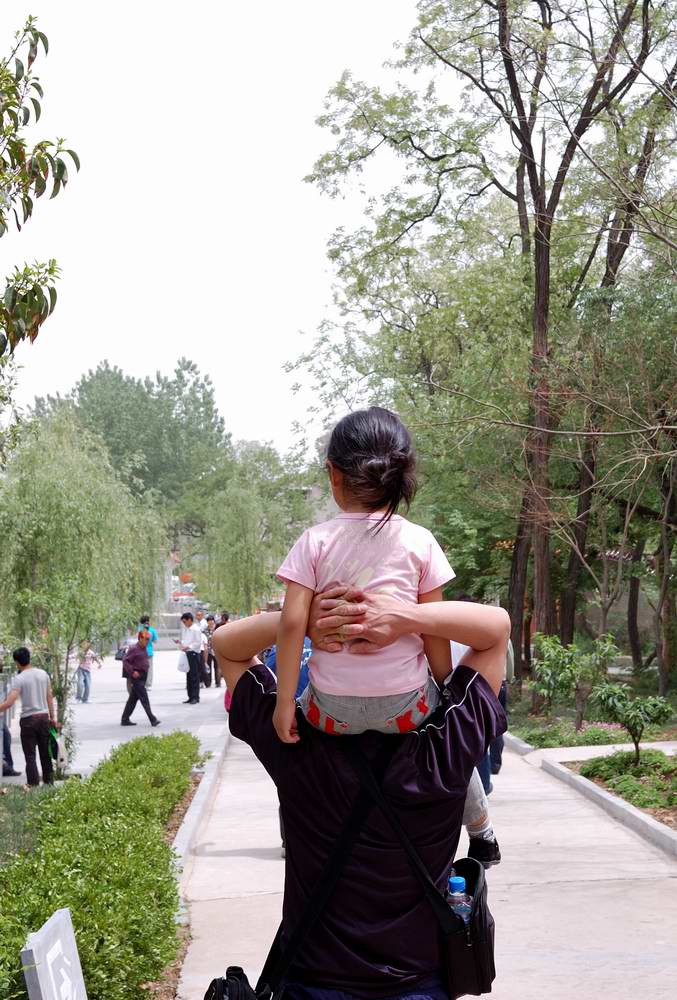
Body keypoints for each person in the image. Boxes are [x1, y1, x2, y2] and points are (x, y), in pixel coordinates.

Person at [212, 587, 508, 999]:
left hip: (312, 985)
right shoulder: (444, 749)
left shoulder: (295, 746)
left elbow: (227, 645)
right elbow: (496, 630)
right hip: (418, 985)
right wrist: (406, 617)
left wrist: (305, 620)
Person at [274, 407, 455, 744]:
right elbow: (434, 626)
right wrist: (445, 691)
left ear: (334, 474)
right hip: (406, 708)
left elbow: (291, 623)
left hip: (329, 712)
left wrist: (284, 703)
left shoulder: (314, 540)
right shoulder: (421, 540)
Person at [0, 647, 58, 786]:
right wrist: (52, 717)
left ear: (17, 662)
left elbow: (10, 702)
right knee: (45, 754)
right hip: (44, 718)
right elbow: (49, 696)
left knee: (30, 756)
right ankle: (49, 784)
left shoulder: (19, 679)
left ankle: (33, 784)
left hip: (28, 721)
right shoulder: (43, 674)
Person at [121, 630, 160, 727]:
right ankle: (152, 719)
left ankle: (125, 719)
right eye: (146, 639)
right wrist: (132, 672)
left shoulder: (144, 648)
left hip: (143, 676)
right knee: (144, 698)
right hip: (137, 677)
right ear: (140, 638)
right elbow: (125, 661)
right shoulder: (134, 648)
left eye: (149, 639)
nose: (148, 641)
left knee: (132, 700)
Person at [178, 612, 204, 704]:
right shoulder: (186, 629)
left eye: (185, 621)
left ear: (189, 620)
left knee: (194, 676)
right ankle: (190, 696)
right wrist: (181, 644)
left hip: (194, 654)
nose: (184, 624)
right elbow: (186, 641)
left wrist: (188, 647)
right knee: (188, 676)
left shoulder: (196, 629)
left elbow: (198, 642)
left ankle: (195, 697)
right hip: (187, 653)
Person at [138, 615, 159, 688]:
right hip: (149, 652)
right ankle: (148, 685)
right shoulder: (152, 630)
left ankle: (141, 683)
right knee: (149, 668)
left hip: (140, 651)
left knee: (140, 668)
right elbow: (155, 641)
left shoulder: (139, 629)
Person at [204, 615, 221, 687]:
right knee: (208, 667)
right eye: (209, 621)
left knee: (217, 667)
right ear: (207, 622)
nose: (210, 622)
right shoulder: (204, 630)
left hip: (216, 651)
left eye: (211, 620)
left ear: (214, 621)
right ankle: (208, 683)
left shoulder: (217, 629)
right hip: (208, 652)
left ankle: (218, 682)